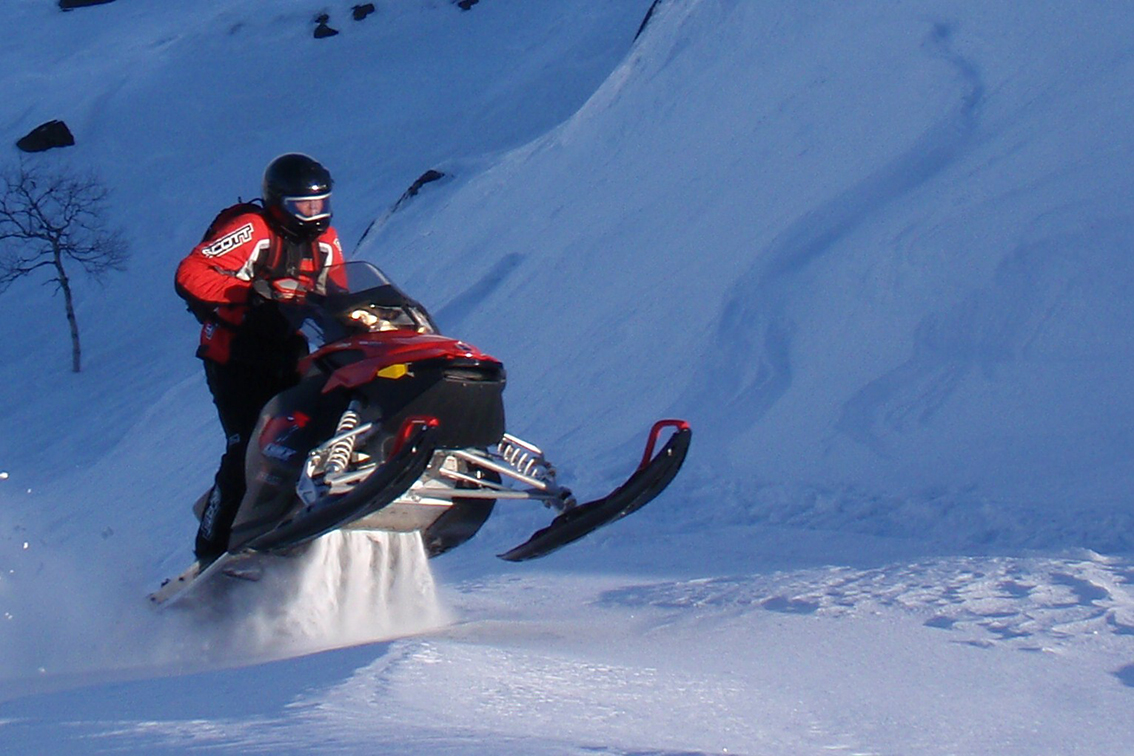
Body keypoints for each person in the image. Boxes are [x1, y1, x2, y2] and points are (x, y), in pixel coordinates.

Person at [175, 153, 345, 564]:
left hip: (288, 351)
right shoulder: (254, 230)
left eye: (319, 204)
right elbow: (192, 272)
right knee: (247, 446)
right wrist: (250, 294)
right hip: (235, 355)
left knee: (312, 430)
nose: (312, 214)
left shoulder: (326, 241)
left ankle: (296, 516)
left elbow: (339, 290)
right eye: (302, 206)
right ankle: (210, 550)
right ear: (277, 201)